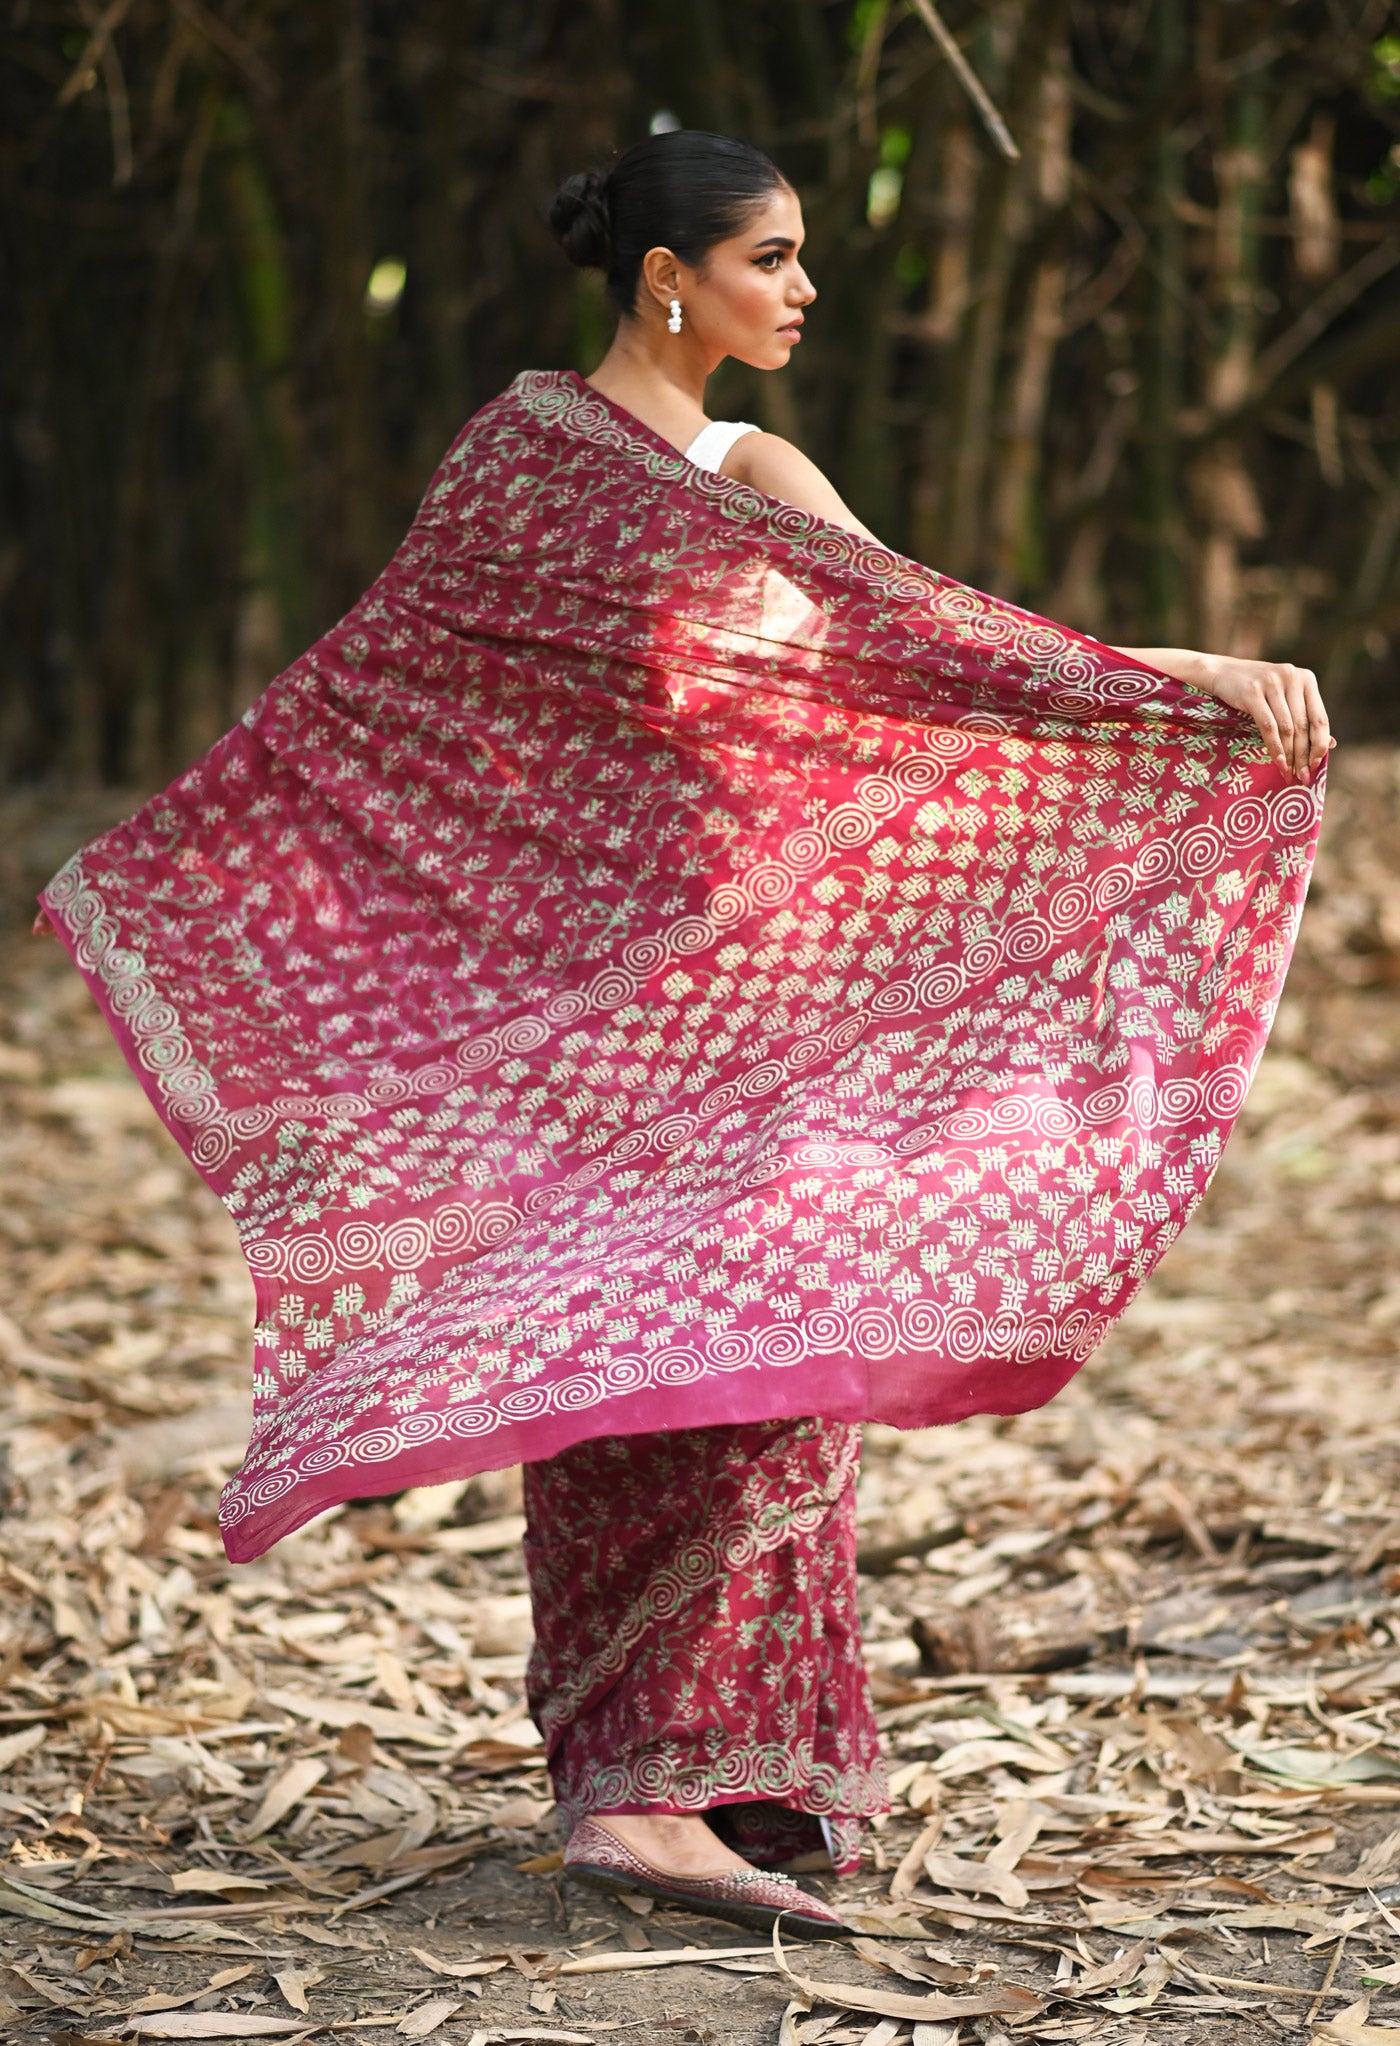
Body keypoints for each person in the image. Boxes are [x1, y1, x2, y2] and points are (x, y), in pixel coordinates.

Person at [40, 129, 1331, 1942]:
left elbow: (944, 651)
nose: (803, 289)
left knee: (774, 1353)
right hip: (588, 1021)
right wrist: (211, 862)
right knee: (619, 1371)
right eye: (772, 258)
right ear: (671, 277)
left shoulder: (756, 466)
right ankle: (636, 1791)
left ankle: (741, 1772)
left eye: (802, 259)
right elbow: (388, 693)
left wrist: (1167, 682)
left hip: (777, 1009)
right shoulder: (522, 469)